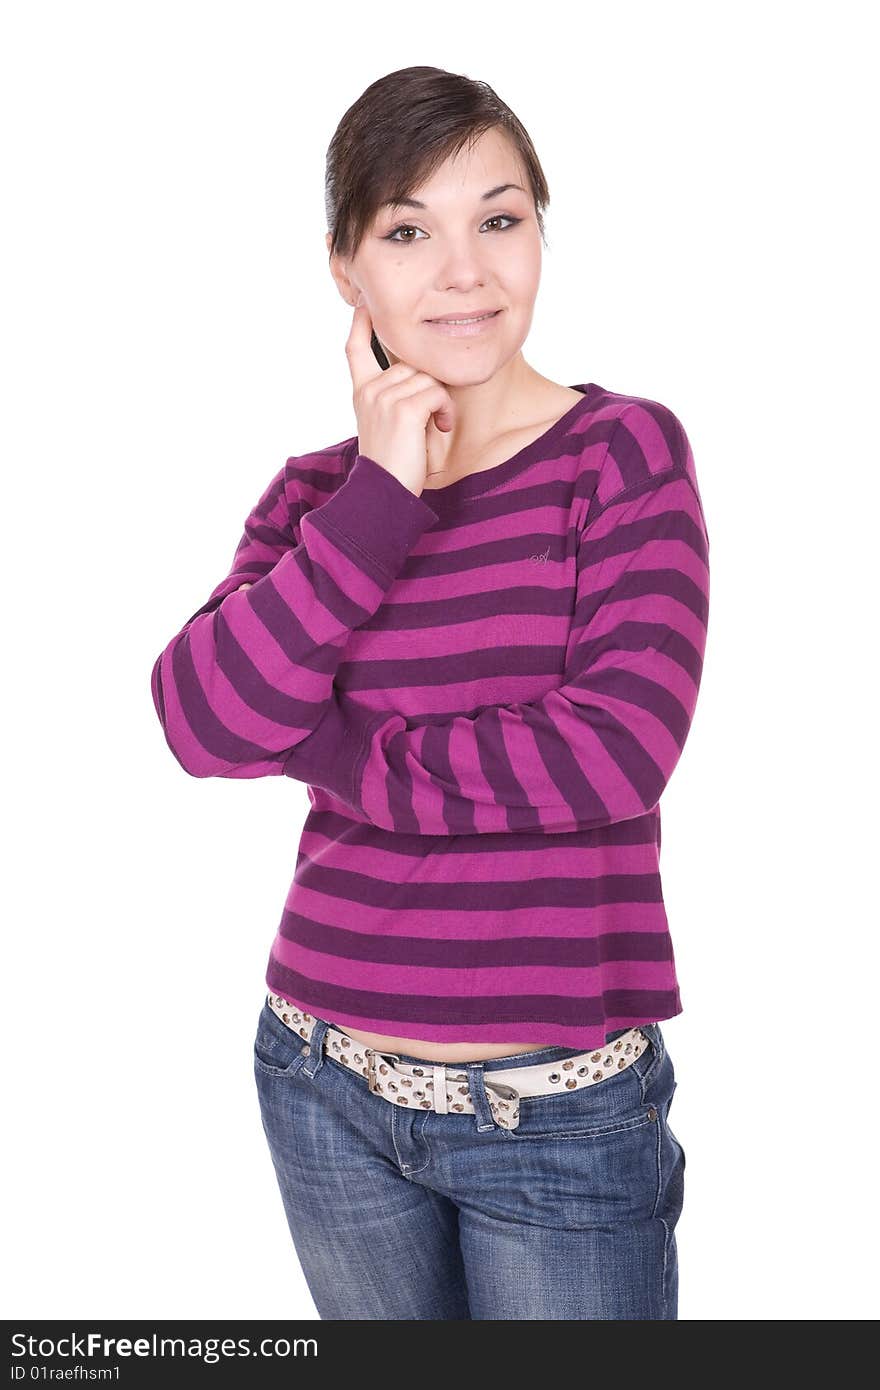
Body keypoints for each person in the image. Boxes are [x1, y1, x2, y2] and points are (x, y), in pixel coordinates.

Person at [150, 65, 710, 1320]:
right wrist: (380, 498)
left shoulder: (620, 455)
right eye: (408, 230)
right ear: (347, 272)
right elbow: (202, 723)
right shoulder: (318, 500)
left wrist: (337, 749)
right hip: (319, 1080)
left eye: (499, 220)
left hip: (558, 1116)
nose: (464, 271)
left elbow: (613, 749)